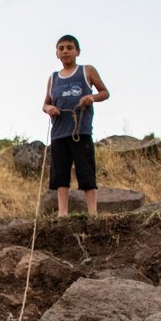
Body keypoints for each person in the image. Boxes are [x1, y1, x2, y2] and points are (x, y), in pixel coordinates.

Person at [42, 34, 109, 217]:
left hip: (81, 131)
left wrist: (91, 97)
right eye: (61, 48)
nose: (65, 51)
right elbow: (45, 104)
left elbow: (105, 92)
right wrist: (50, 109)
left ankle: (92, 213)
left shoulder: (86, 71)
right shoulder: (53, 78)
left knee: (86, 170)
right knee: (60, 174)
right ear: (56, 53)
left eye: (69, 48)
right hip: (58, 133)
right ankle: (62, 213)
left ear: (77, 51)